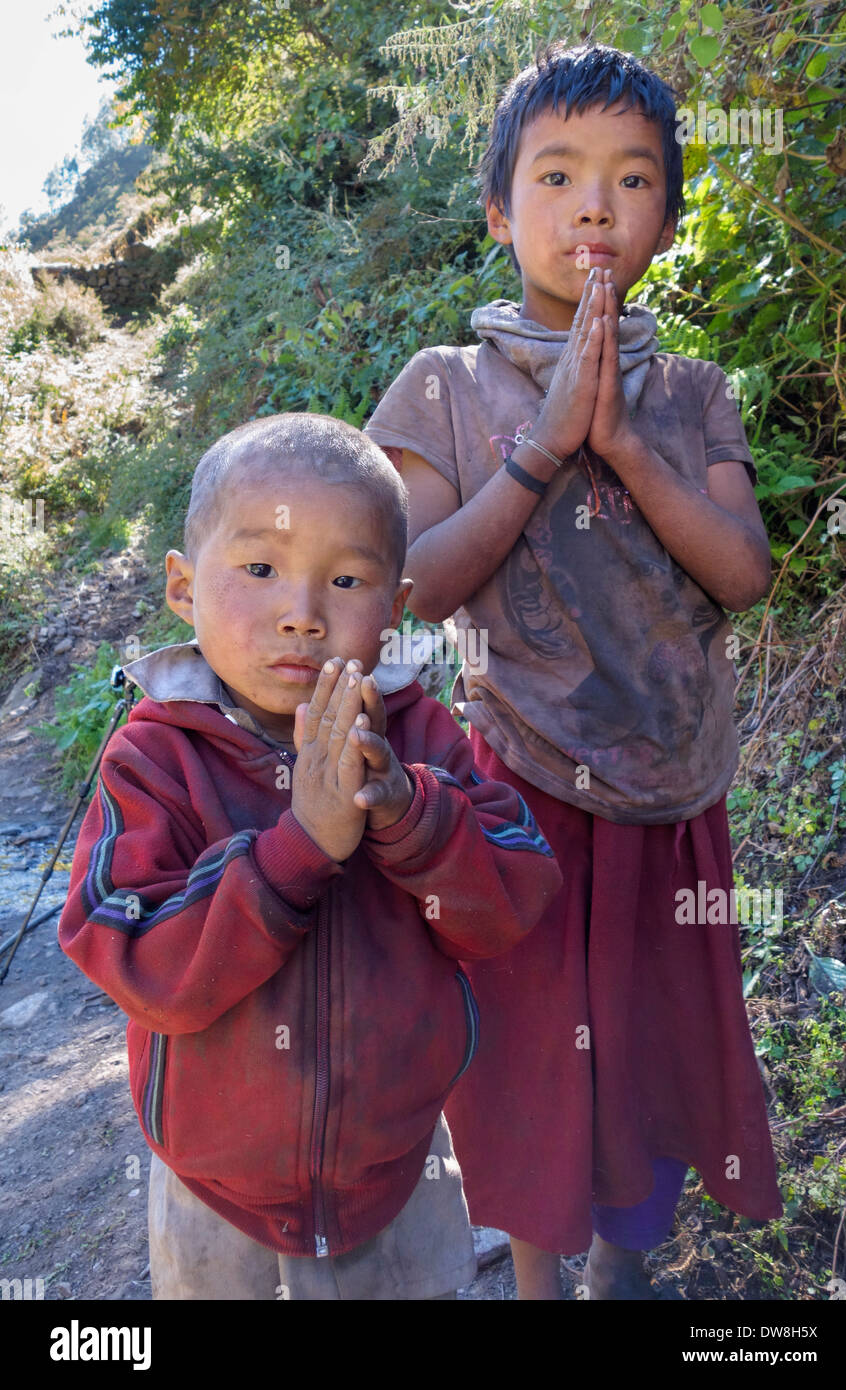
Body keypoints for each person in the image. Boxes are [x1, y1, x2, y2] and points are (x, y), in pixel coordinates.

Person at [364, 42, 783, 1300]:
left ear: (665, 211)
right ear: (500, 211)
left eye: (632, 178)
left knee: (652, 1048)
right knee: (535, 1058)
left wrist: (626, 451)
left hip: (669, 791)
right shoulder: (441, 387)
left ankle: (621, 1265)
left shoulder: (696, 391)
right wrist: (543, 451)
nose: (594, 205)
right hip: (521, 794)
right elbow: (412, 581)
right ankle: (538, 1280)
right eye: (556, 175)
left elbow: (744, 572)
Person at [57, 411, 562, 1301]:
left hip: (398, 1163)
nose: (301, 616)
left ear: (395, 605)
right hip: (214, 1181)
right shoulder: (155, 756)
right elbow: (125, 951)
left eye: (345, 579)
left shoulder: (415, 734)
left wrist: (405, 813)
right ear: (183, 587)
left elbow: (511, 900)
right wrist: (297, 851)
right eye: (258, 569)